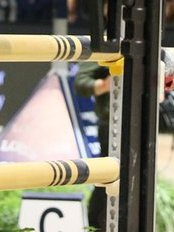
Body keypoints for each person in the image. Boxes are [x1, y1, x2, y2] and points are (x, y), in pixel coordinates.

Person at [73, 63, 112, 231]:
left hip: (143, 123)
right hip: (112, 125)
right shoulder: (106, 45)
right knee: (107, 180)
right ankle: (95, 226)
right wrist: (104, 85)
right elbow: (81, 83)